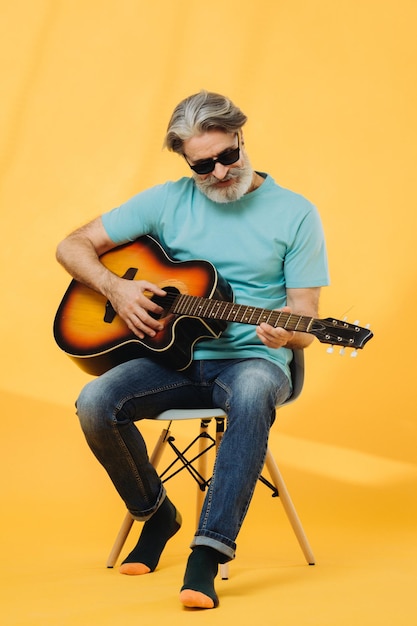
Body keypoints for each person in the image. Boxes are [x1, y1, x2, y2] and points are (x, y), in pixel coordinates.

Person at [56, 90, 329, 609]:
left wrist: (288, 333)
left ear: (242, 140)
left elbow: (308, 320)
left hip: (256, 360)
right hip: (172, 357)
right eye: (205, 166)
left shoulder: (296, 214)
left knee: (251, 393)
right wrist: (116, 288)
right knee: (95, 402)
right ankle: (157, 515)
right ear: (187, 160)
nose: (222, 173)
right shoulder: (166, 200)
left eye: (230, 156)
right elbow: (71, 246)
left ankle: (207, 553)